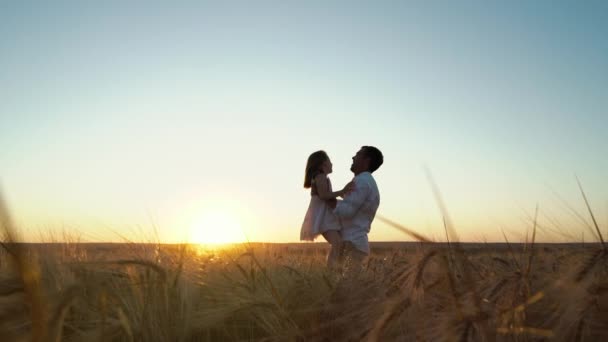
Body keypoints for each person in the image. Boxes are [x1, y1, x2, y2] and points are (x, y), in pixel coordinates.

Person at [331, 146, 383, 275]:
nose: (353, 157)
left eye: (358, 154)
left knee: (344, 290)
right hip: (353, 244)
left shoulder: (362, 182)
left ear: (367, 160)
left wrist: (325, 203)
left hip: (351, 244)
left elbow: (346, 212)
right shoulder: (366, 181)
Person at [300, 150, 353, 268]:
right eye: (330, 161)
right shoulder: (320, 176)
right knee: (337, 243)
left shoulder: (323, 177)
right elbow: (323, 195)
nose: (332, 163)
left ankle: (336, 269)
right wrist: (342, 191)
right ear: (322, 163)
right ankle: (331, 272)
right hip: (322, 216)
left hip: (325, 214)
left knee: (340, 244)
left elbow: (327, 196)